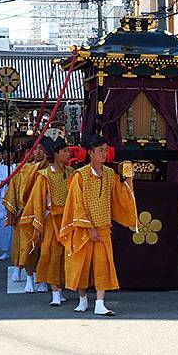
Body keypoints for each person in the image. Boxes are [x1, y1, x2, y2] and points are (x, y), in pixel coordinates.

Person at [59, 133, 137, 316]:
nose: (104, 154)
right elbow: (77, 203)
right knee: (81, 264)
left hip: (103, 227)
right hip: (83, 228)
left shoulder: (110, 173)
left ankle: (100, 303)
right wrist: (89, 228)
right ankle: (83, 299)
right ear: (91, 153)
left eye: (105, 150)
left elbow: (119, 195)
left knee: (103, 265)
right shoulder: (80, 175)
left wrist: (126, 180)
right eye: (100, 150)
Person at [21, 136, 73, 306]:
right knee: (51, 254)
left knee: (66, 256)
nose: (68, 154)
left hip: (69, 220)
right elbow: (37, 201)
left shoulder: (72, 172)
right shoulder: (43, 176)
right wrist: (38, 224)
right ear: (56, 154)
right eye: (64, 151)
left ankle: (62, 287)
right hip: (51, 220)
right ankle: (55, 293)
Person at [3, 137, 48, 286]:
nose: (37, 151)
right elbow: (13, 190)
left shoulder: (49, 169)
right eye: (34, 148)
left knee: (44, 247)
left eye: (41, 148)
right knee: (25, 245)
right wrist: (12, 209)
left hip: (45, 213)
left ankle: (42, 278)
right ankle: (22, 271)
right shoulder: (22, 169)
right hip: (24, 212)